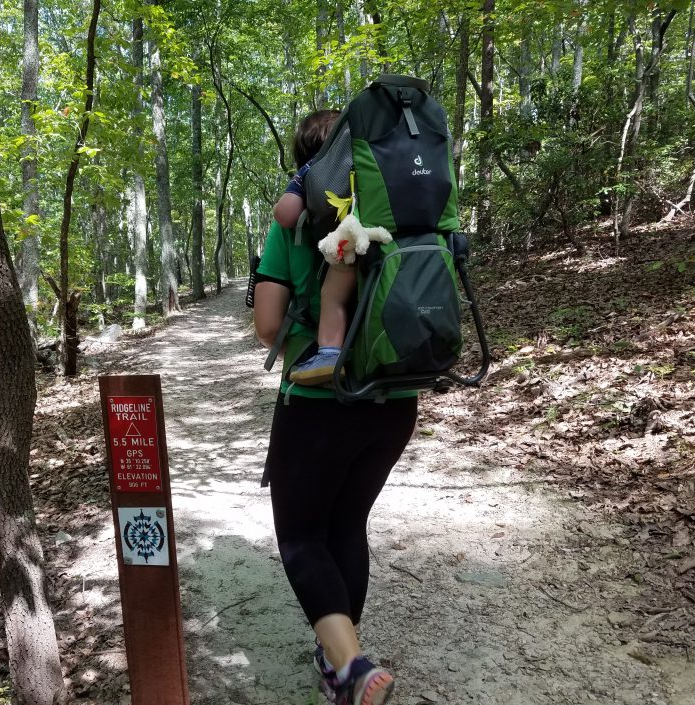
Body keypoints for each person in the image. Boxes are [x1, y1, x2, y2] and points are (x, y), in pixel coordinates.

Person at [254, 110, 417, 705]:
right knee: (347, 523)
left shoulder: (293, 224)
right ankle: (336, 656)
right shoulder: (401, 212)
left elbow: (267, 327)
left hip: (318, 401)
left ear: (305, 163)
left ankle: (349, 668)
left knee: (301, 535)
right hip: (396, 401)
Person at [272, 116, 357, 386]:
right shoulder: (377, 163)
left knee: (332, 295)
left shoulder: (315, 167)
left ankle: (329, 354)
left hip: (348, 246)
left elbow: (285, 215)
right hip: (397, 395)